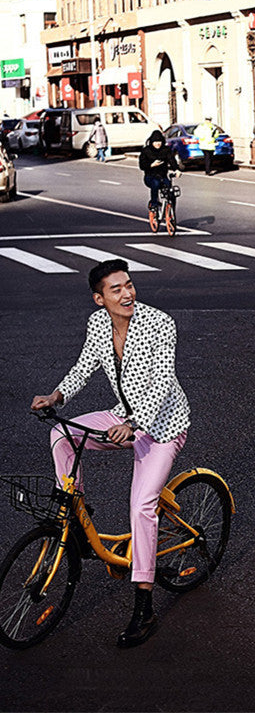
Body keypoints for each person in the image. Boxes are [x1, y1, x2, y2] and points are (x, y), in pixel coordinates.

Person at [31, 259, 191, 648]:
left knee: (141, 507)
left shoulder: (159, 322)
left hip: (162, 427)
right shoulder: (98, 324)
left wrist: (136, 424)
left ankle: (144, 606)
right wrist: (57, 394)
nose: (127, 294)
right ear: (98, 299)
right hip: (122, 418)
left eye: (129, 285)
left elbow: (163, 382)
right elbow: (84, 366)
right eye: (116, 289)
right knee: (60, 434)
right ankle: (75, 513)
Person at [139, 130, 179, 213]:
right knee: (155, 183)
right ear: (151, 142)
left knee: (170, 190)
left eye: (159, 141)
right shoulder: (146, 150)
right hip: (150, 176)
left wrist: (177, 169)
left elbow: (172, 160)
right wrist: (151, 165)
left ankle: (171, 210)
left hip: (163, 176)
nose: (158, 144)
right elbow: (142, 165)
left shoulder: (166, 150)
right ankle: (154, 204)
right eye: (155, 142)